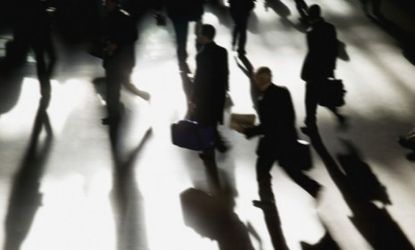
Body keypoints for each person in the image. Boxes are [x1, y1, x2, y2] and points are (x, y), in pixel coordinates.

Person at [237, 67, 321, 206]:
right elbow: (288, 117)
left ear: (264, 79)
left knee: (262, 170)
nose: (256, 82)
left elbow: (269, 124)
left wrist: (249, 131)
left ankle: (267, 200)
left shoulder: (264, 98)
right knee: (291, 170)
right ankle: (313, 188)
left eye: (258, 79)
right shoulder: (282, 91)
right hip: (286, 139)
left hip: (273, 142)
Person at [300, 4, 345, 134]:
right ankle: (337, 116)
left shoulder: (311, 32)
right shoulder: (330, 28)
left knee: (310, 100)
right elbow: (334, 49)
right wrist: (332, 67)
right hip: (326, 69)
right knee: (322, 94)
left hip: (314, 71)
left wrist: (307, 71)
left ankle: (310, 125)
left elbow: (312, 53)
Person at [191, 24, 229, 158]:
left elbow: (199, 79)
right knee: (212, 122)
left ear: (204, 36)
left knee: (204, 124)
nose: (198, 36)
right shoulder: (222, 52)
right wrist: (226, 89)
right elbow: (225, 73)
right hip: (218, 94)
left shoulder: (201, 56)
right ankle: (217, 144)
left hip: (205, 97)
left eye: (200, 34)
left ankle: (211, 149)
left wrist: (193, 98)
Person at [101, 0, 138, 125]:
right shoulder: (118, 17)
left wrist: (116, 44)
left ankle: (114, 116)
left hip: (118, 59)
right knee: (116, 88)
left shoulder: (121, 18)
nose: (106, 4)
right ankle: (113, 115)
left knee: (114, 88)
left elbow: (132, 36)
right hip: (116, 59)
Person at [155, 0, 204, 71]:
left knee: (181, 39)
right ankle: (200, 59)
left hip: (177, 10)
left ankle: (183, 63)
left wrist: (158, 10)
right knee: (198, 33)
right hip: (189, 8)